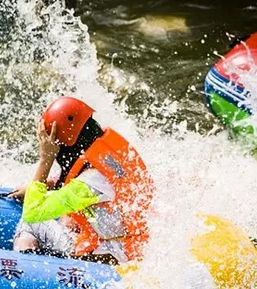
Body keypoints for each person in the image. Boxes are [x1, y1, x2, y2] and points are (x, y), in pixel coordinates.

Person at [9, 96, 154, 264]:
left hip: (110, 259)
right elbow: (81, 181)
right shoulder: (108, 158)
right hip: (132, 246)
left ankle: (26, 272)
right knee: (67, 219)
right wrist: (49, 184)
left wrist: (45, 160)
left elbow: (33, 212)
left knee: (29, 223)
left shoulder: (88, 183)